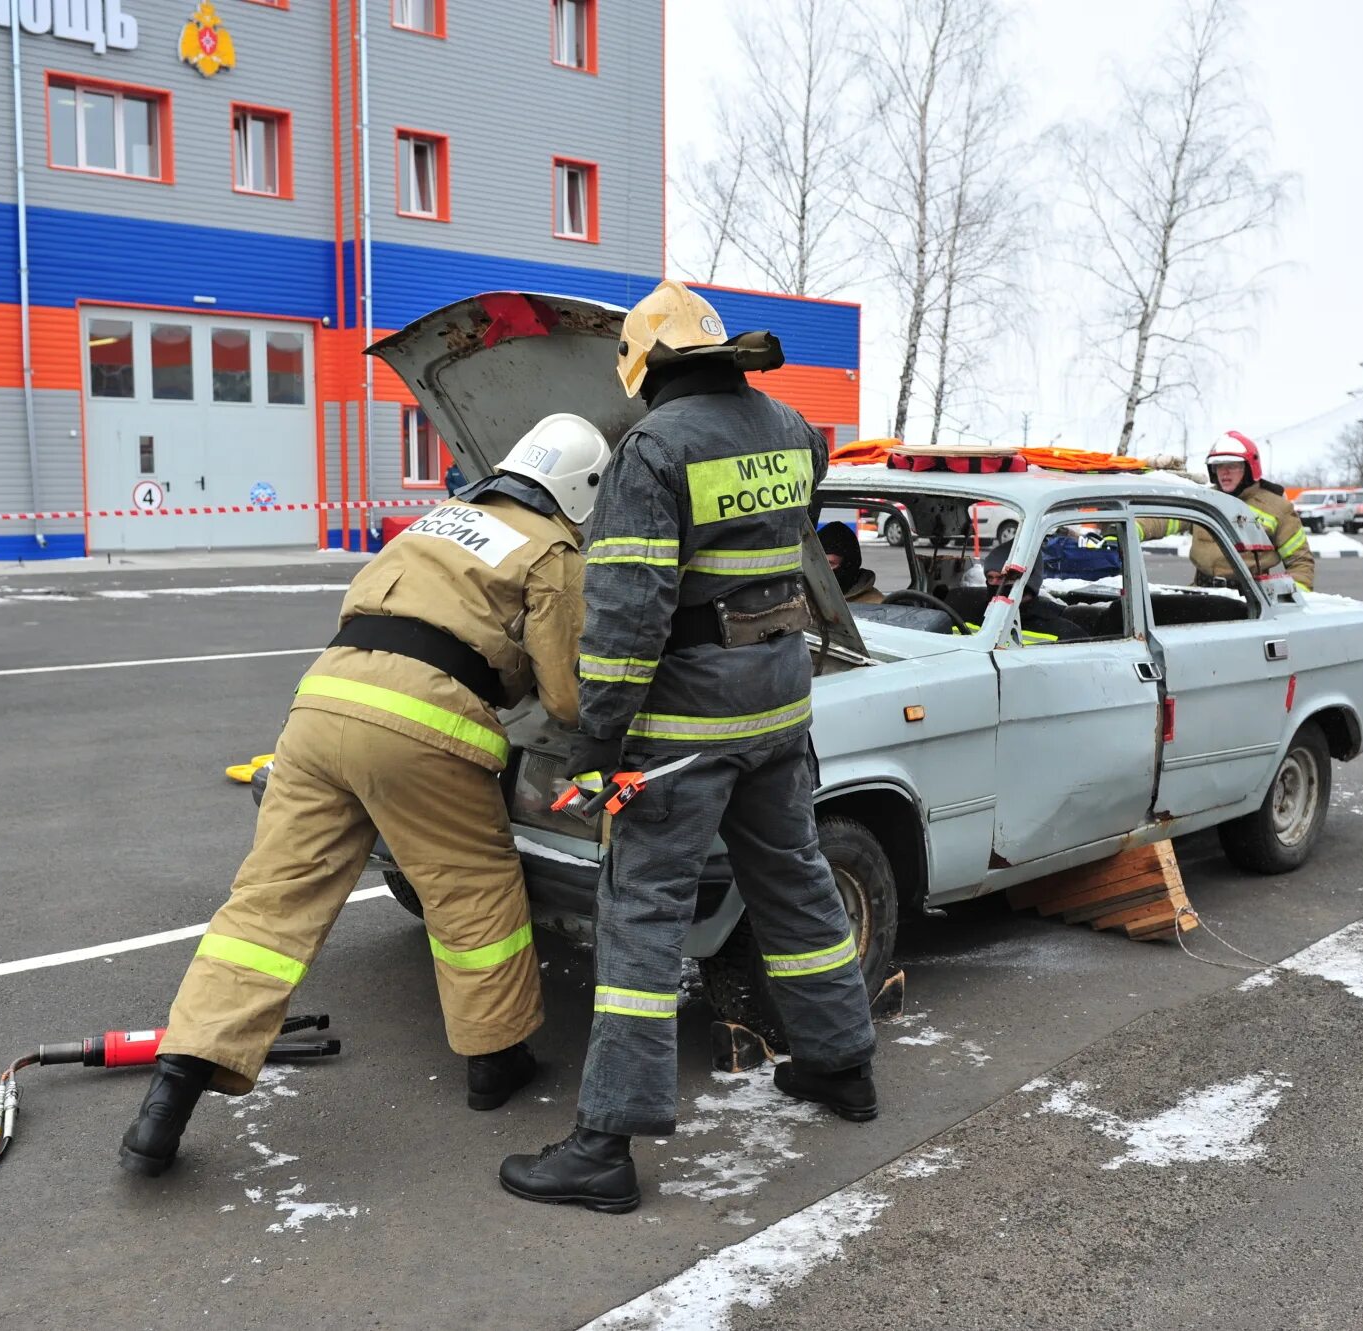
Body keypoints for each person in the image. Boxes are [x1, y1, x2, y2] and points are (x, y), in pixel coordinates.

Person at [120, 414, 611, 1178]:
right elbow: (568, 697)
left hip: (318, 708)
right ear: (582, 490)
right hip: (420, 725)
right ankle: (496, 1061)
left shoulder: (438, 520)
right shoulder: (552, 548)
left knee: (268, 905)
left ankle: (173, 1086)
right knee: (473, 891)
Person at [500, 281, 879, 1215]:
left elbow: (628, 611)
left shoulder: (654, 449)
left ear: (646, 367)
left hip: (686, 731)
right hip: (778, 707)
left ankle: (604, 1144)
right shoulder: (790, 427)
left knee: (640, 910)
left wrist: (598, 735)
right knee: (795, 879)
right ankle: (843, 1067)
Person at [1136, 432, 1315, 593]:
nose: (1225, 472)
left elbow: (1300, 563)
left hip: (1252, 603)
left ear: (1249, 467)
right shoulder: (1203, 499)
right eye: (1219, 466)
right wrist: (1129, 529)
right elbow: (1165, 519)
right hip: (1202, 595)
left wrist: (1294, 601)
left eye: (1232, 465)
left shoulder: (1277, 508)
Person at [816, 520, 885, 603]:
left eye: (831, 563)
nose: (824, 569)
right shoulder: (804, 599)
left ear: (848, 565)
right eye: (819, 563)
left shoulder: (876, 605)